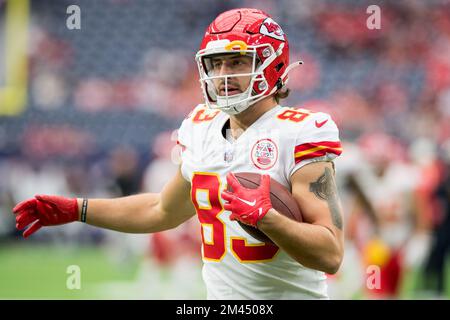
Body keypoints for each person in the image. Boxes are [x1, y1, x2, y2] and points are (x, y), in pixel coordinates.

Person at [13, 8, 344, 299]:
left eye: (238, 62)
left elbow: (330, 253)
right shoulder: (200, 127)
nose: (224, 75)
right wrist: (78, 209)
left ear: (273, 65)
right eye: (216, 65)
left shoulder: (299, 132)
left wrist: (268, 218)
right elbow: (161, 210)